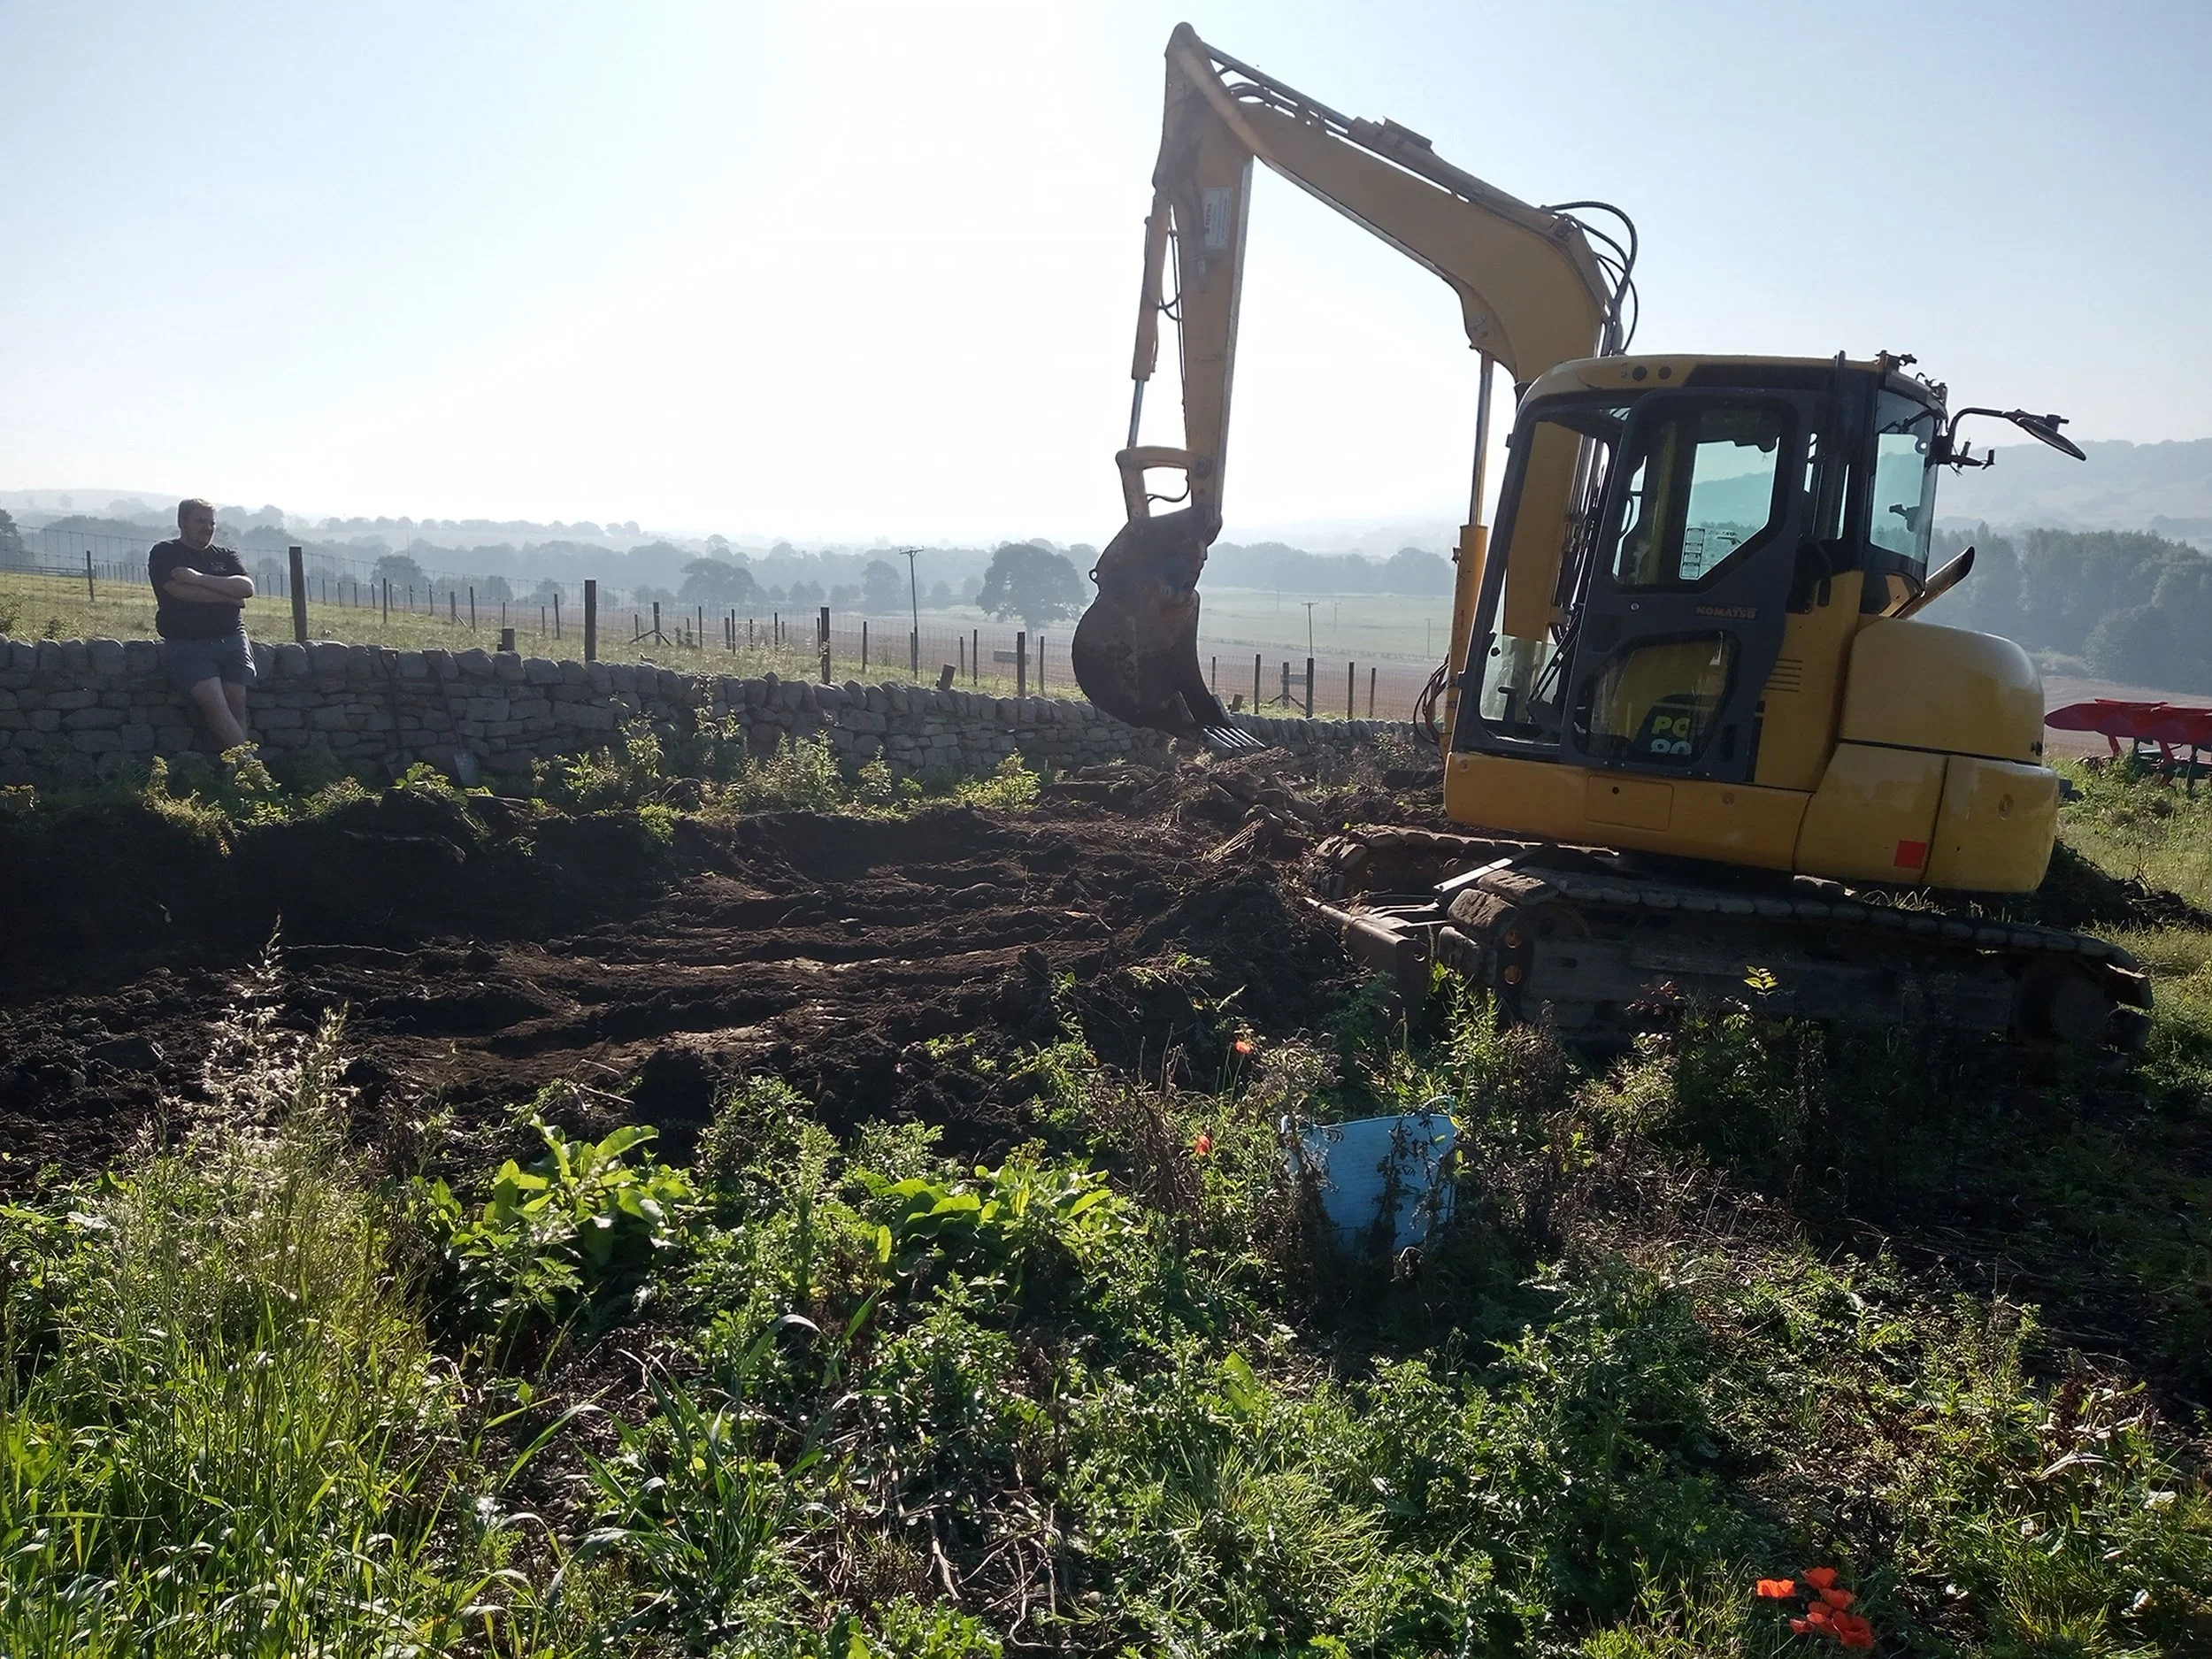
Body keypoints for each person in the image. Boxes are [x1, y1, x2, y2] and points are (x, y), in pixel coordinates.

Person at [148, 498, 257, 750]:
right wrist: (229, 596)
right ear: (182, 522)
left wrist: (198, 578)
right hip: (188, 644)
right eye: (201, 521)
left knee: (236, 702)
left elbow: (246, 588)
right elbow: (180, 593)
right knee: (215, 705)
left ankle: (236, 774)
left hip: (232, 640)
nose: (208, 528)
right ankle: (250, 770)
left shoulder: (225, 556)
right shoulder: (165, 553)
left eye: (212, 523)